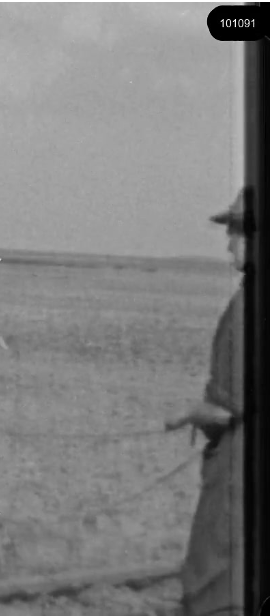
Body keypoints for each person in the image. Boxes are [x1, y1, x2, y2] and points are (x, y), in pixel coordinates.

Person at [165, 188, 247, 616]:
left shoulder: (247, 307)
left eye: (236, 230)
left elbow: (228, 408)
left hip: (239, 470)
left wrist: (184, 414)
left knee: (215, 584)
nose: (229, 241)